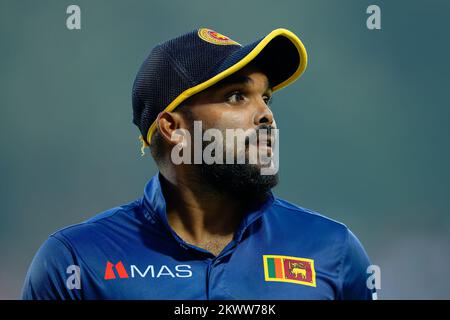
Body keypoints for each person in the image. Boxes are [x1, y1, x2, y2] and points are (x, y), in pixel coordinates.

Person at [22, 28, 375, 300]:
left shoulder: (334, 250)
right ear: (173, 128)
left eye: (264, 97)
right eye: (236, 97)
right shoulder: (76, 261)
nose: (266, 115)